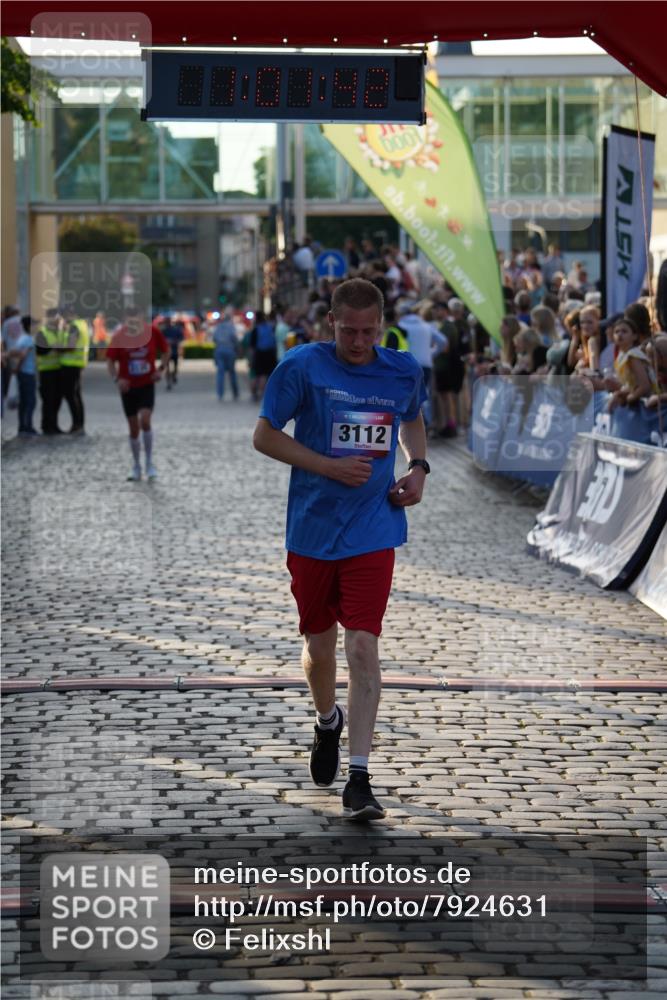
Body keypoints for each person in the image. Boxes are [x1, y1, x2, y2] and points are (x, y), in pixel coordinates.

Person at [253, 278, 428, 821]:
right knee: (319, 646)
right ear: (330, 322)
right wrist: (327, 465)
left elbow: (413, 418)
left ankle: (360, 777)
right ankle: (327, 719)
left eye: (368, 331)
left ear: (381, 325)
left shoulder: (401, 370)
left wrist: (418, 468)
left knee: (362, 646)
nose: (358, 341)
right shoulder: (303, 366)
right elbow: (264, 435)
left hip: (375, 527)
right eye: (348, 331)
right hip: (312, 529)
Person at [106, 307, 170, 481]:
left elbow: (166, 351)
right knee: (134, 428)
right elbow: (110, 361)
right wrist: (117, 379)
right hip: (128, 388)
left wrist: (161, 369)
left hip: (146, 385)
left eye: (137, 321)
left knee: (145, 420)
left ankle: (149, 463)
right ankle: (136, 465)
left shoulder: (153, 332)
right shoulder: (119, 336)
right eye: (130, 322)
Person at [608, 317, 659, 411]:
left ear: (634, 336)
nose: (620, 334)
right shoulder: (621, 355)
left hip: (649, 405)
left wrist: (629, 398)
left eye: (624, 331)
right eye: (616, 331)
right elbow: (630, 385)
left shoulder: (633, 356)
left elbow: (645, 386)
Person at [59, 304, 89, 433]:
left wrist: (58, 348)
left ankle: (77, 425)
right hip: (78, 363)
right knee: (76, 395)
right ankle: (79, 424)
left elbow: (71, 346)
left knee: (71, 395)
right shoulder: (82, 324)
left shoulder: (73, 327)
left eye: (63, 315)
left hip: (70, 364)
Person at [35, 308, 64, 435]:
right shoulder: (42, 333)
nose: (57, 320)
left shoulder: (59, 332)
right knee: (48, 400)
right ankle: (46, 425)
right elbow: (40, 351)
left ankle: (54, 424)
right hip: (46, 371)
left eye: (58, 318)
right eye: (55, 317)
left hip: (58, 370)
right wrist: (54, 348)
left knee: (57, 399)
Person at [248, 310, 277, 400]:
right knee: (265, 375)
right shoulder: (270, 327)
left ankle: (256, 393)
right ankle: (262, 394)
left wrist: (251, 359)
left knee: (257, 375)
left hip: (259, 354)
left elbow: (252, 347)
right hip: (269, 354)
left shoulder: (255, 330)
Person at [212, 308, 239, 400]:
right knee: (232, 372)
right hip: (229, 350)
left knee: (220, 373)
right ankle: (235, 392)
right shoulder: (231, 327)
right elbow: (234, 339)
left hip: (219, 350)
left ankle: (220, 394)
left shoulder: (218, 327)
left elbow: (214, 339)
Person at [162, 317, 185, 389]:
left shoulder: (176, 329)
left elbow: (181, 338)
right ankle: (169, 383)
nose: (167, 323)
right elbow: (160, 340)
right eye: (166, 322)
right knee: (167, 368)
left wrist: (174, 341)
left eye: (168, 321)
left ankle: (174, 375)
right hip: (166, 351)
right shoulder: (163, 331)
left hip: (174, 350)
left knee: (175, 367)